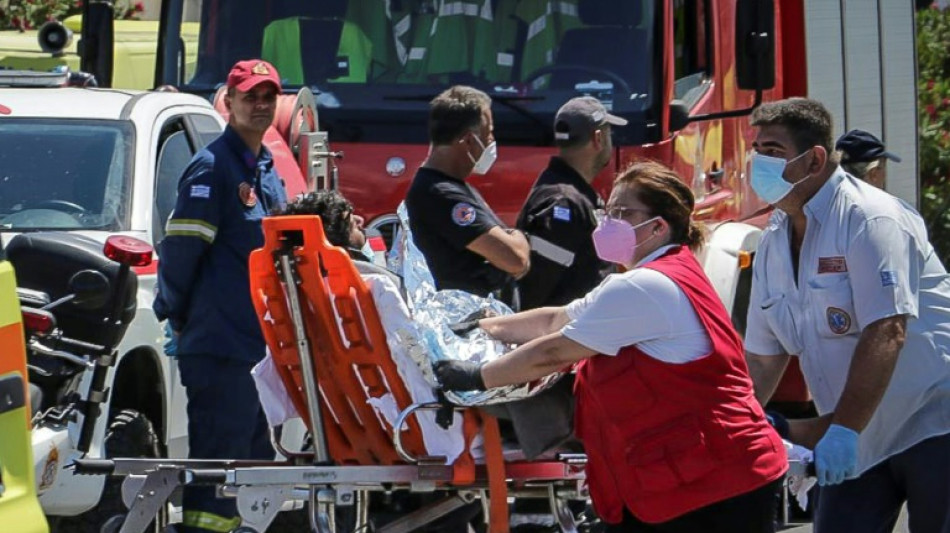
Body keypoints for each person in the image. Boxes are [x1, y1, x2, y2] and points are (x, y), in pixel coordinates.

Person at [436, 161, 788, 533]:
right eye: (609, 211)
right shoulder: (649, 277)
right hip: (702, 476)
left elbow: (553, 352)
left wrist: (477, 377)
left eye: (623, 213)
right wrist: (483, 326)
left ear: (658, 227)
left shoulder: (642, 286)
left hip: (715, 485)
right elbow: (556, 319)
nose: (608, 222)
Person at [743, 97, 950, 532]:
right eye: (756, 149)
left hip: (932, 422)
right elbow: (764, 358)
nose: (758, 163)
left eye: (773, 151)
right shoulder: (773, 241)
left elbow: (887, 329)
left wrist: (843, 431)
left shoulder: (870, 219)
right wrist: (740, 422)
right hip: (855, 431)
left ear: (815, 159)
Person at [153, 59, 287, 533]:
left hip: (258, 351)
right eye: (249, 95)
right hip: (220, 347)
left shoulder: (265, 169)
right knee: (218, 469)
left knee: (254, 464)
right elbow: (181, 252)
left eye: (268, 96)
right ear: (227, 102)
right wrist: (175, 312)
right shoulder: (212, 168)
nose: (260, 104)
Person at [404, 85, 530, 298]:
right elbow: (515, 260)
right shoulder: (443, 195)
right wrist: (518, 235)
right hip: (464, 323)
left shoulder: (456, 187)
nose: (491, 142)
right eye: (489, 134)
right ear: (469, 140)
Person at [514, 96, 620, 310]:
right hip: (563, 336)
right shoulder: (564, 203)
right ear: (598, 138)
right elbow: (535, 290)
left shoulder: (570, 194)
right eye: (610, 134)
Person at [834, 128, 901, 189]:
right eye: (884, 167)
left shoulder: (828, 199)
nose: (885, 176)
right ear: (874, 174)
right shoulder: (885, 202)